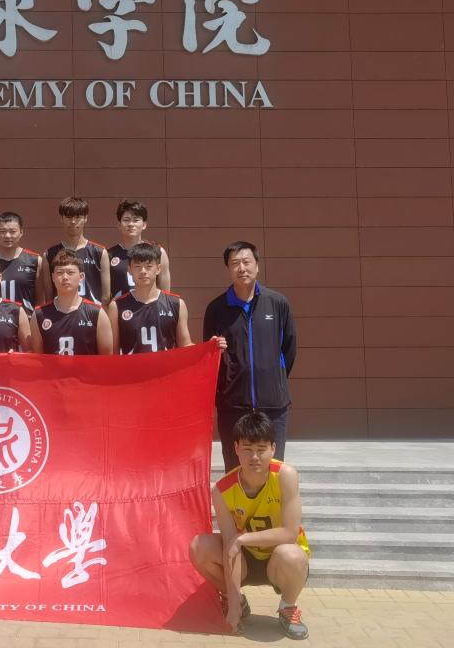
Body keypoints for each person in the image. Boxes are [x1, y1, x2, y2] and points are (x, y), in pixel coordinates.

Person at [188, 411, 311, 639]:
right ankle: (235, 600)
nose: (254, 456)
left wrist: (243, 538)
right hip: (244, 560)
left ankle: (288, 607)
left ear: (273, 448)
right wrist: (234, 606)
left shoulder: (285, 476)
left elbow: (289, 533)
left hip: (279, 560)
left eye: (261, 449)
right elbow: (230, 546)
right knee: (199, 547)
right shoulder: (222, 490)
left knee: (292, 555)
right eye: (247, 449)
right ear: (236, 448)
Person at [203, 241, 297, 472]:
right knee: (235, 469)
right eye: (235, 263)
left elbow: (289, 349)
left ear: (257, 265)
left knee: (272, 469)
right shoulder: (216, 308)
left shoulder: (277, 303)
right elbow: (210, 356)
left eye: (247, 262)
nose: (242, 268)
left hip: (273, 405)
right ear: (228, 268)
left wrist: (273, 378)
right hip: (232, 406)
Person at [108, 242, 192, 354]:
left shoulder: (177, 304)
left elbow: (186, 346)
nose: (143, 271)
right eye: (137, 266)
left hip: (166, 366)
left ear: (158, 269)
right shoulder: (117, 306)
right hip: (132, 365)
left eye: (148, 266)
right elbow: (113, 354)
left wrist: (210, 345)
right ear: (129, 270)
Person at [31, 250, 112, 355]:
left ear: (81, 277)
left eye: (70, 272)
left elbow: (106, 359)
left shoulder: (96, 313)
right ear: (53, 277)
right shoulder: (39, 315)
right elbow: (37, 358)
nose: (65, 277)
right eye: (59, 273)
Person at [40, 196, 111, 305]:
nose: (73, 222)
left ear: (85, 218)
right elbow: (49, 297)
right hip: (61, 314)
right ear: (61, 219)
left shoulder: (99, 252)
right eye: (68, 217)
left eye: (78, 217)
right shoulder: (49, 254)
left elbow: (106, 296)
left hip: (91, 313)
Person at [107, 199, 172, 298]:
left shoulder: (158, 251)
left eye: (136, 220)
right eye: (126, 220)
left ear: (144, 225)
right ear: (119, 225)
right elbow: (105, 294)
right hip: (120, 307)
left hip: (150, 306)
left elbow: (166, 293)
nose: (131, 224)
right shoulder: (108, 255)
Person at [0, 211, 42, 314]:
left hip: (27, 320)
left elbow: (41, 301)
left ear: (21, 232)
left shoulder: (35, 260)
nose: (7, 235)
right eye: (2, 231)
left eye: (12, 231)